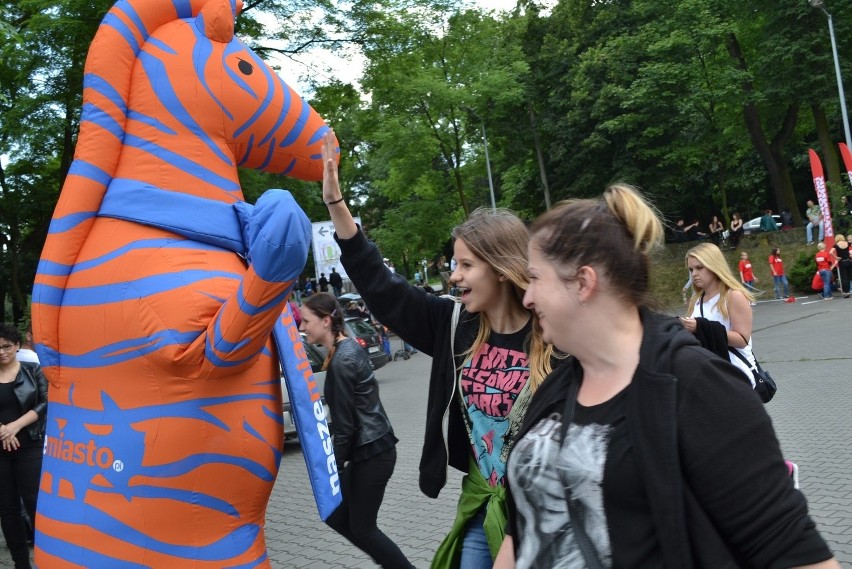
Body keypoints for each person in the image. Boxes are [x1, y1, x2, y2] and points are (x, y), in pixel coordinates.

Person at [493, 184, 840, 569]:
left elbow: (793, 551)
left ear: (583, 282)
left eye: (536, 278)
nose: (527, 297)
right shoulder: (556, 388)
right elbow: (522, 527)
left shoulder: (697, 387)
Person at [320, 129, 556, 568]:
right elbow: (381, 286)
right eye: (453, 264)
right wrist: (337, 205)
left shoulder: (556, 334)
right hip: (481, 502)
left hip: (543, 514)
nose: (453, 276)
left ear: (502, 268)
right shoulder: (453, 325)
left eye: (466, 265)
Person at [298, 294, 413, 569]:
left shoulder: (341, 361)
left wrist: (333, 467)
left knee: (363, 528)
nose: (302, 328)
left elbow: (345, 428)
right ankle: (387, 561)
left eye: (305, 321)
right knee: (337, 516)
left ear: (326, 321)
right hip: (374, 448)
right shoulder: (348, 347)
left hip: (372, 453)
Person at [0, 323, 48, 569]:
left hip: (29, 447)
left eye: (6, 346)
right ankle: (21, 564)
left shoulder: (33, 369)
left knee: (35, 504)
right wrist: (3, 429)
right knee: (7, 510)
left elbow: (44, 402)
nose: (1, 352)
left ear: (17, 346)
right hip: (0, 452)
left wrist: (15, 426)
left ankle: (48, 559)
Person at [681, 243, 758, 385]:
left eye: (699, 267)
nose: (694, 274)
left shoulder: (734, 296)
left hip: (735, 374)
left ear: (714, 265)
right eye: (691, 269)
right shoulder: (696, 300)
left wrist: (701, 327)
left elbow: (742, 340)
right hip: (709, 373)